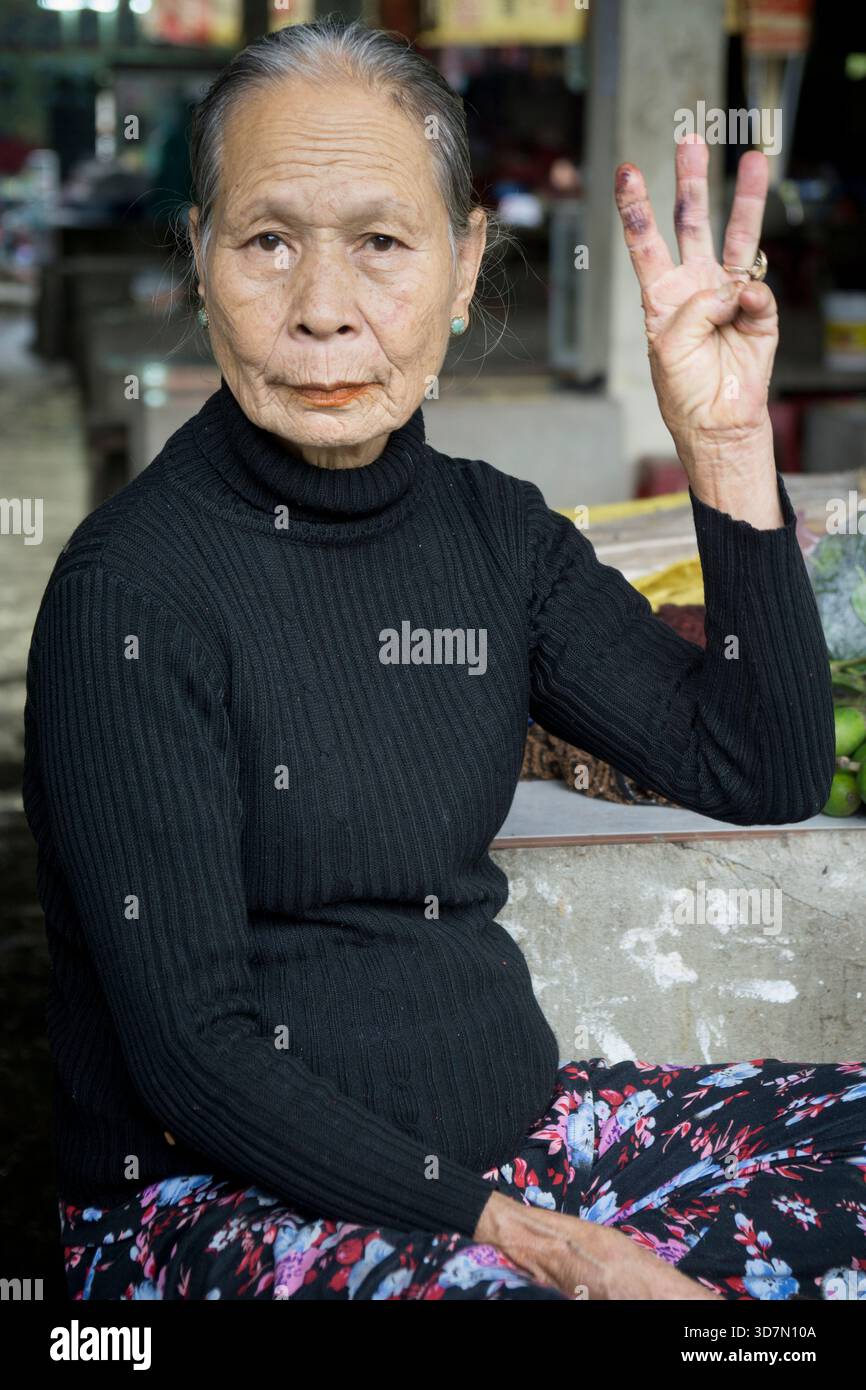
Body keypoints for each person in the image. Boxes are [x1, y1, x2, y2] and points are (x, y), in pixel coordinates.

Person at [23, 19, 865, 1301]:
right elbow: (195, 1057)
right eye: (265, 241)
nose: (321, 311)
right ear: (197, 260)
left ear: (464, 266)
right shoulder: (130, 596)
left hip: (508, 1155)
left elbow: (764, 766)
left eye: (380, 243)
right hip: (214, 1207)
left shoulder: (494, 533)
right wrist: (547, 1244)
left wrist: (725, 443)